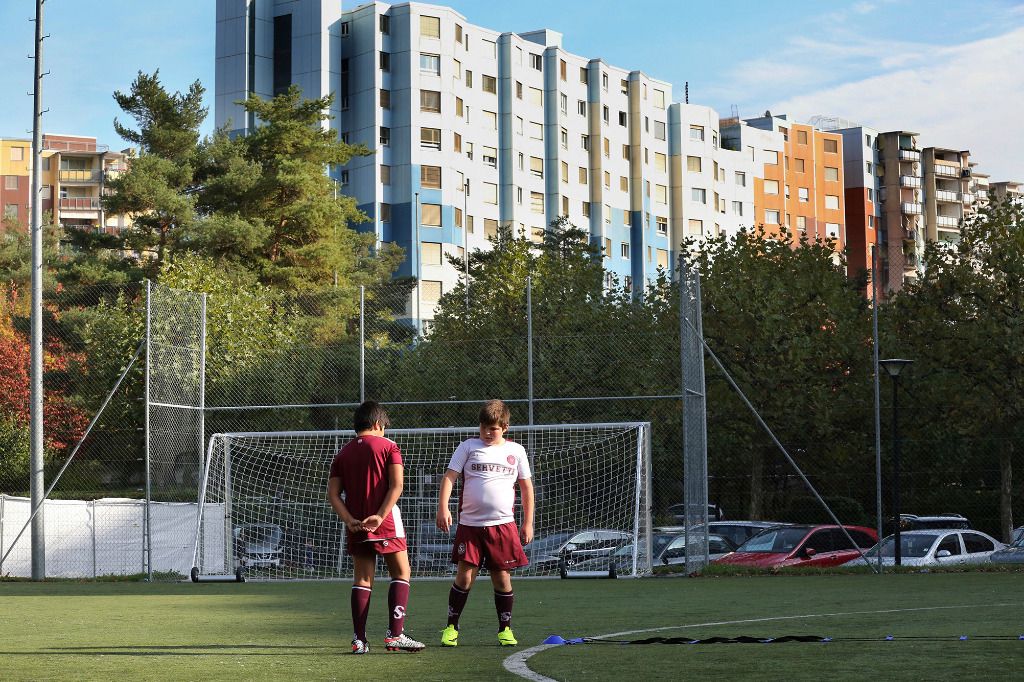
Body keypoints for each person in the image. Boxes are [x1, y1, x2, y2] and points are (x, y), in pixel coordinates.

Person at [327, 400, 425, 654]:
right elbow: (397, 486)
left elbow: (333, 495)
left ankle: (359, 640)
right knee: (401, 572)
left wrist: (348, 520)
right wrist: (380, 516)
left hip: (357, 522)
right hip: (385, 521)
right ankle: (395, 635)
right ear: (378, 424)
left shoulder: (343, 453)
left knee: (362, 578)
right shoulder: (389, 446)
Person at [436, 399, 535, 647]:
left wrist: (528, 522)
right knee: (464, 577)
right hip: (470, 525)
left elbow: (526, 489)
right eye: (484, 428)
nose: (488, 433)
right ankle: (451, 628)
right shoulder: (468, 446)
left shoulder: (516, 451)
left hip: (503, 525)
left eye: (493, 428)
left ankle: (505, 630)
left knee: (501, 578)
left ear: (505, 427)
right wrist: (443, 507)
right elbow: (449, 477)